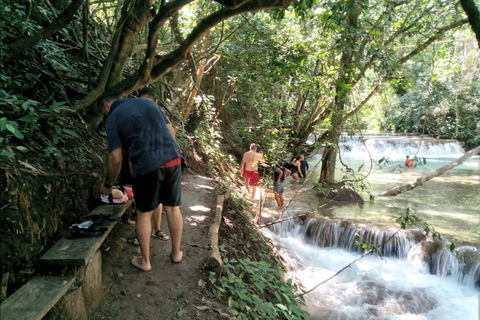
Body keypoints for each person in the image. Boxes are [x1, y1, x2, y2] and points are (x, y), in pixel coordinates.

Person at [100, 97, 184, 271]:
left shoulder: (114, 116)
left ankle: (145, 261)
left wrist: (108, 185)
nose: (105, 115)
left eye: (103, 112)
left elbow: (115, 159)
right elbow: (171, 131)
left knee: (144, 214)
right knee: (173, 208)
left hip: (147, 165)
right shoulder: (149, 103)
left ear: (107, 105)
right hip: (173, 158)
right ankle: (176, 253)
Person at [138, 87, 176, 242]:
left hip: (151, 163)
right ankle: (152, 232)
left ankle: (154, 231)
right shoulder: (158, 116)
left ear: (155, 102)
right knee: (152, 201)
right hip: (157, 163)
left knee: (146, 205)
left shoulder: (157, 116)